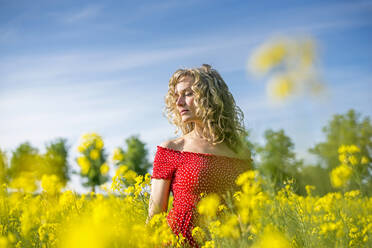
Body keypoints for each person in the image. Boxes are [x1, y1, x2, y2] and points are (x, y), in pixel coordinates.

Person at [147, 64, 252, 247]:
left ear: (210, 97)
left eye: (188, 94)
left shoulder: (241, 153)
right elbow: (154, 217)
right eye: (177, 96)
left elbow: (248, 215)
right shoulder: (172, 149)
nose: (179, 102)